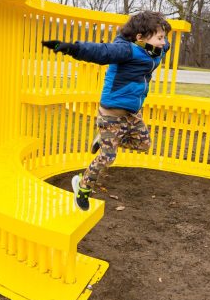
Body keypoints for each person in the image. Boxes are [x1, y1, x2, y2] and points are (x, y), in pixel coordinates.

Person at [42, 11, 171, 211]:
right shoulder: (125, 50)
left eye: (164, 38)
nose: (163, 42)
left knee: (144, 144)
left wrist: (162, 33)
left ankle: (104, 139)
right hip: (110, 114)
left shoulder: (155, 50)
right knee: (108, 156)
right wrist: (72, 48)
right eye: (160, 38)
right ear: (140, 38)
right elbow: (100, 52)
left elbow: (163, 45)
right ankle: (83, 188)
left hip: (132, 114)